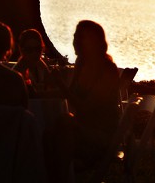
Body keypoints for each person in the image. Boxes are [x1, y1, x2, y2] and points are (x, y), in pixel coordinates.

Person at [46, 20, 121, 182]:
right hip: (82, 130)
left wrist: (60, 83)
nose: (75, 41)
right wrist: (37, 92)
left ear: (94, 42)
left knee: (64, 124)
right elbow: (70, 94)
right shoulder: (81, 63)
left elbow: (86, 108)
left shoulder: (107, 70)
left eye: (80, 37)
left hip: (101, 137)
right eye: (75, 36)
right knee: (46, 131)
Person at [12, 28, 51, 93]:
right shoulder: (18, 73)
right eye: (29, 50)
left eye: (38, 49)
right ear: (22, 50)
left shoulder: (40, 65)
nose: (34, 53)